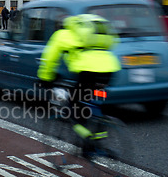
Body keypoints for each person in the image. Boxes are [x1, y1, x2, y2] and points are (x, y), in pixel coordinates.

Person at [37, 14, 121, 157]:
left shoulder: (63, 34)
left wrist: (45, 78)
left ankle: (87, 141)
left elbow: (50, 57)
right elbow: (115, 41)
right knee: (94, 103)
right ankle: (100, 139)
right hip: (109, 69)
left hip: (88, 71)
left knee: (74, 106)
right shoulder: (91, 28)